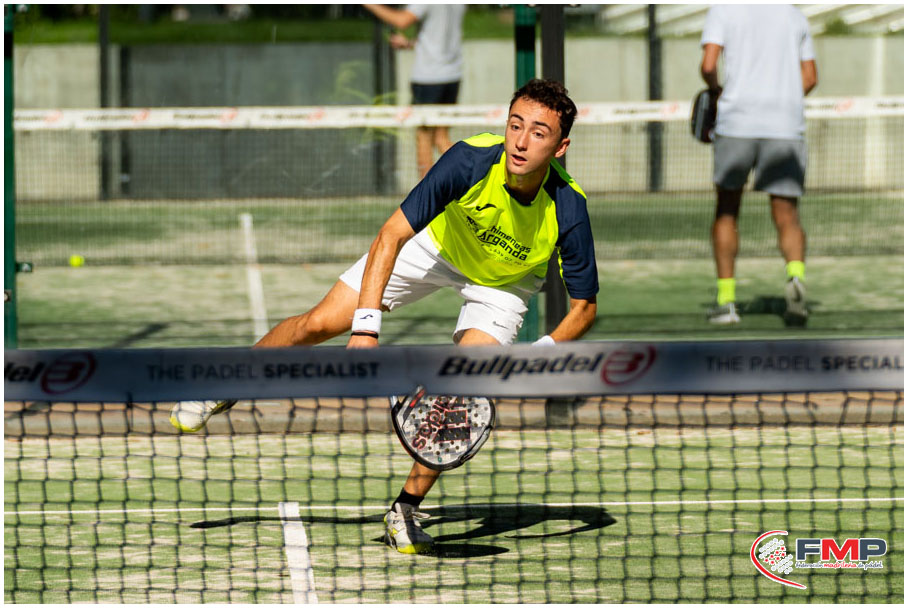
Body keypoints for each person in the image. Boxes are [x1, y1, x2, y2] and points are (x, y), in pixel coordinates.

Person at [170, 79, 599, 554]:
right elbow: (391, 235)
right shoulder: (469, 161)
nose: (521, 141)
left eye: (538, 133)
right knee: (319, 323)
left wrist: (535, 358)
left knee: (459, 394)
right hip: (438, 246)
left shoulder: (568, 206)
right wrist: (365, 329)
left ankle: (405, 511)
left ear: (560, 147)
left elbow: (584, 308)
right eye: (515, 125)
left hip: (504, 284)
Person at [700, 5, 817, 326]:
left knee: (727, 210)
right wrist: (782, 98)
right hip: (786, 125)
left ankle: (726, 302)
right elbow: (810, 77)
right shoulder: (795, 15)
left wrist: (717, 91)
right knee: (787, 214)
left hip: (737, 124)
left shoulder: (723, 11)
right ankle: (796, 278)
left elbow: (708, 65)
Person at [362, 4, 466, 178]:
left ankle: (427, 192)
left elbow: (402, 21)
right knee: (440, 137)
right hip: (452, 76)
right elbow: (437, 37)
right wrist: (409, 44)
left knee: (424, 137)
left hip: (428, 79)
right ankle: (472, 178)